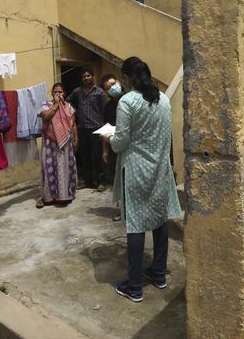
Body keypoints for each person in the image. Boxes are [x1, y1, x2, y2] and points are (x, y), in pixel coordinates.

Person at [103, 57, 181, 303]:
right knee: (159, 220)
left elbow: (120, 143)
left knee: (135, 224)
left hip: (136, 171)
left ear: (127, 78)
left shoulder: (127, 102)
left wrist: (108, 138)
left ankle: (134, 285)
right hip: (159, 170)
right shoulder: (164, 100)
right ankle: (159, 274)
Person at [36, 83, 79, 208]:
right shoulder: (46, 105)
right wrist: (55, 104)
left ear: (64, 93)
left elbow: (74, 124)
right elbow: (46, 116)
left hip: (66, 143)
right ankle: (49, 196)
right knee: (50, 167)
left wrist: (76, 139)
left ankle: (64, 195)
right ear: (52, 93)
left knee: (64, 167)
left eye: (60, 92)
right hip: (50, 143)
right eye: (55, 92)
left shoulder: (69, 107)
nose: (58, 94)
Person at [67, 67, 108, 190]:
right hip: (82, 128)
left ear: (93, 77)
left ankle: (101, 182)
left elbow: (104, 110)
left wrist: (104, 127)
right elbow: (68, 101)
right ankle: (87, 181)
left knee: (98, 156)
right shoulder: (77, 92)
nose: (86, 78)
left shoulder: (100, 92)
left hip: (97, 128)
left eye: (88, 76)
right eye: (84, 76)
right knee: (84, 157)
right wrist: (76, 111)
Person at [100, 73, 123, 221]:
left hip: (129, 145)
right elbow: (106, 128)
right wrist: (105, 150)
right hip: (114, 145)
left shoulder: (130, 100)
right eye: (109, 87)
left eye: (114, 84)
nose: (113, 88)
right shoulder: (108, 107)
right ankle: (121, 209)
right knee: (118, 179)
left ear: (119, 82)